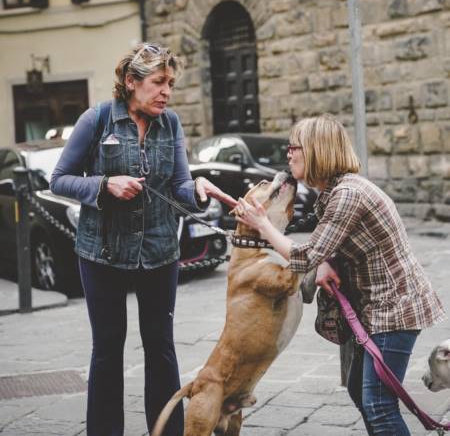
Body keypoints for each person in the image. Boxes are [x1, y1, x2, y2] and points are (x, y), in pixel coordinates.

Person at [50, 42, 235, 436]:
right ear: (131, 82)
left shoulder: (171, 124)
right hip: (101, 252)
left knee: (161, 349)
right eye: (158, 82)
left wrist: (198, 189)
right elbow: (59, 179)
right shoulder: (97, 119)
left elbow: (180, 184)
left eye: (171, 83)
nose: (167, 91)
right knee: (107, 350)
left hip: (159, 251)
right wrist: (104, 184)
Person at [234, 113, 446, 435]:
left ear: (318, 150)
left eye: (295, 147)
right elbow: (331, 244)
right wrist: (328, 259)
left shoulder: (348, 194)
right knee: (360, 391)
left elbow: (304, 256)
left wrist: (262, 225)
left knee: (378, 405)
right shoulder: (336, 192)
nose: (288, 153)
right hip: (377, 306)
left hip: (394, 310)